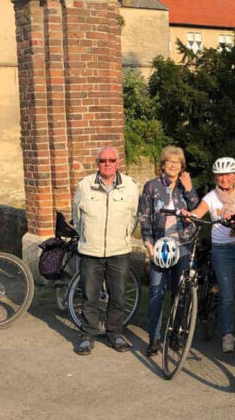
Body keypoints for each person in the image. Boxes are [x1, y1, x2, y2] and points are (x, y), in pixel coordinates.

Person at [72, 146, 139, 355]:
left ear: (118, 163)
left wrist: (123, 235)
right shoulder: (84, 185)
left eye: (111, 160)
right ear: (97, 163)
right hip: (90, 251)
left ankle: (115, 333)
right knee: (89, 296)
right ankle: (88, 334)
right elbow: (77, 218)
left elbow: (134, 216)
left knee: (118, 295)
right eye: (103, 161)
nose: (107, 164)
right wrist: (88, 236)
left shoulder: (130, 186)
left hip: (119, 250)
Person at [185, 157, 235, 353]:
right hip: (222, 249)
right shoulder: (211, 197)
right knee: (226, 295)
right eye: (220, 175)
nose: (223, 179)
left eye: (227, 175)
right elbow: (198, 212)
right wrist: (190, 216)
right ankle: (227, 334)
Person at [138, 146, 200, 357]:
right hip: (160, 246)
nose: (173, 165)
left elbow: (197, 210)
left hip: (182, 245)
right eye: (169, 161)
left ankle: (175, 334)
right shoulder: (152, 187)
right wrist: (149, 246)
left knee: (179, 292)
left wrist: (190, 189)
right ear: (162, 165)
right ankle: (154, 338)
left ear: (182, 166)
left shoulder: (186, 187)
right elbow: (144, 217)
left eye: (177, 162)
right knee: (156, 291)